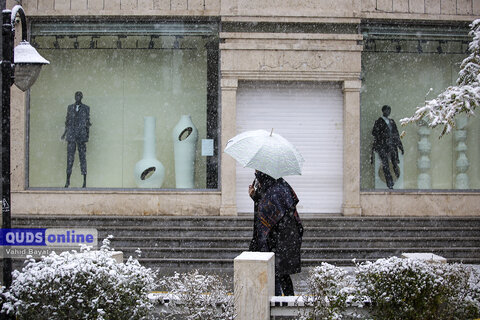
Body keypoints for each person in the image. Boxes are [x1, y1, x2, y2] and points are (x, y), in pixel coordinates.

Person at [248, 170, 303, 296]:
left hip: (281, 236)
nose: (255, 174)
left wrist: (258, 198)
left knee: (279, 272)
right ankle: (284, 303)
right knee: (278, 272)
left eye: (257, 171)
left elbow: (269, 211)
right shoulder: (273, 185)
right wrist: (255, 196)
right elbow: (265, 209)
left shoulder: (276, 188)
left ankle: (285, 305)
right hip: (275, 236)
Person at [61, 91, 91, 188]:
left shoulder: (86, 108)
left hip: (81, 137)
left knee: (82, 158)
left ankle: (84, 181)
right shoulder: (70, 108)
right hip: (71, 136)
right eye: (76, 96)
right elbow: (67, 121)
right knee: (70, 159)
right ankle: (67, 180)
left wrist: (87, 135)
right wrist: (64, 133)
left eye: (79, 96)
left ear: (81, 97)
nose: (77, 97)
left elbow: (88, 123)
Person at [371, 105, 404, 189]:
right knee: (385, 164)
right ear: (383, 111)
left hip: (391, 145)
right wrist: (383, 136)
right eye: (387, 110)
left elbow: (396, 134)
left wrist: (400, 146)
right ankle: (390, 182)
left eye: (389, 110)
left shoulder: (392, 121)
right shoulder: (379, 121)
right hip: (382, 146)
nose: (388, 112)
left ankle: (396, 177)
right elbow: (374, 132)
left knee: (395, 162)